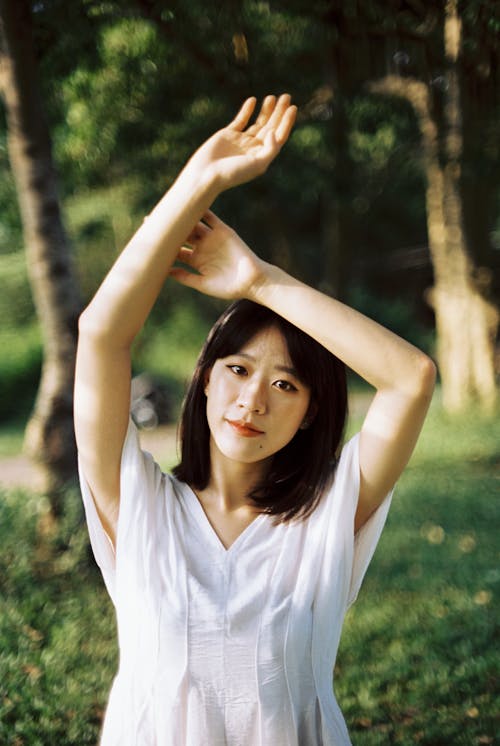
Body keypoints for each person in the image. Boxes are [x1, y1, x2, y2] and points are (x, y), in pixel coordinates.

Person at [74, 94, 436, 745]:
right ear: (204, 380)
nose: (253, 401)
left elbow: (410, 379)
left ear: (309, 413)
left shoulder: (328, 516)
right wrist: (199, 180)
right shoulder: (137, 504)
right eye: (238, 370)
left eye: (286, 383)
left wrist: (260, 281)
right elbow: (101, 334)